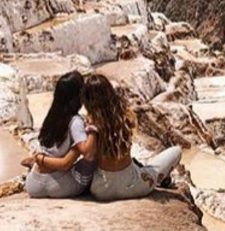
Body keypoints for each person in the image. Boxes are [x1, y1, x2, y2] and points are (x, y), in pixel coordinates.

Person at [83, 74, 181, 202]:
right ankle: (162, 179)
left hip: (101, 190)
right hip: (134, 187)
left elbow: (88, 155)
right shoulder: (125, 118)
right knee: (176, 151)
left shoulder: (89, 124)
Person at [25, 72, 98, 198]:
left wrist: (40, 158)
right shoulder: (75, 122)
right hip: (58, 186)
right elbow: (75, 159)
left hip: (34, 185)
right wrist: (93, 128)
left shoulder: (51, 117)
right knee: (92, 161)